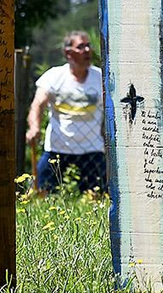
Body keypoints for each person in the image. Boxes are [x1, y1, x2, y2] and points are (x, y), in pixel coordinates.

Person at [26, 31, 106, 195]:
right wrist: (34, 128)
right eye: (80, 47)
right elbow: (37, 105)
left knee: (98, 199)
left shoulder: (101, 77)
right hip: (58, 149)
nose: (87, 50)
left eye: (88, 46)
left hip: (92, 150)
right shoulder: (54, 76)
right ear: (68, 53)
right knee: (43, 195)